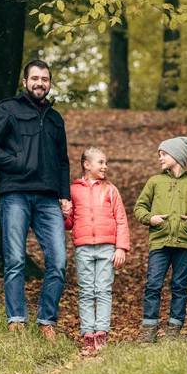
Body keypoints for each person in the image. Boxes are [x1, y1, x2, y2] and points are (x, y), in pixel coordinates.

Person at [0, 60, 72, 340]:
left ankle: (47, 321)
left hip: (47, 198)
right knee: (16, 259)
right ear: (25, 82)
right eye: (34, 78)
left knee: (58, 260)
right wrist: (16, 163)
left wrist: (65, 195)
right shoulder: (9, 108)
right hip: (16, 193)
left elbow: (63, 161)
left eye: (44, 79)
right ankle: (16, 320)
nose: (39, 83)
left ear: (50, 84)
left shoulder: (56, 119)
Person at [134, 137, 187, 343]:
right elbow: (139, 207)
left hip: (185, 243)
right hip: (159, 243)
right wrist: (151, 218)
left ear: (177, 155)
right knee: (153, 285)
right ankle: (149, 332)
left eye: (164, 154)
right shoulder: (155, 182)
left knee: (179, 285)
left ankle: (173, 332)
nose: (160, 158)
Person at [65, 147, 130, 352]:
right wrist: (64, 213)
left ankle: (101, 332)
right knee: (86, 291)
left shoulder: (110, 189)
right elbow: (68, 223)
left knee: (103, 290)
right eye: (101, 162)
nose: (105, 166)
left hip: (107, 248)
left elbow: (121, 219)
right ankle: (87, 333)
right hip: (83, 248)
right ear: (87, 165)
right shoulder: (73, 190)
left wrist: (121, 248)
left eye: (106, 163)